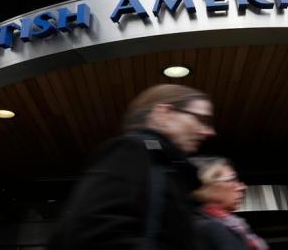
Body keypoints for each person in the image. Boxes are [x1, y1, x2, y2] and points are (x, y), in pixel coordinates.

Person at [50, 84, 216, 250]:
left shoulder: (166, 167)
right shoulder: (132, 150)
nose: (209, 131)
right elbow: (94, 230)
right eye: (200, 119)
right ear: (164, 114)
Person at [192, 157, 269, 250]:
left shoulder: (229, 224)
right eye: (231, 180)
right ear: (207, 187)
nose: (242, 187)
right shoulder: (211, 228)